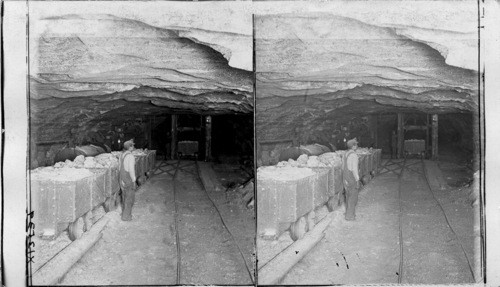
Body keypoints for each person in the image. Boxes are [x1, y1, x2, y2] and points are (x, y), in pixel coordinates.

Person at [342, 138, 360, 221]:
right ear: (353, 146)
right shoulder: (354, 155)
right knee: (353, 197)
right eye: (356, 144)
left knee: (348, 196)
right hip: (352, 178)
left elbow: (343, 167)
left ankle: (349, 213)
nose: (357, 146)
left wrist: (344, 179)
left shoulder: (345, 154)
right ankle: (350, 216)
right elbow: (354, 169)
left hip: (346, 177)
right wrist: (357, 179)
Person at [119, 139, 137, 221]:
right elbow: (131, 170)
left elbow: (120, 168)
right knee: (130, 198)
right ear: (130, 147)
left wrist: (121, 180)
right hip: (128, 178)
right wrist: (134, 180)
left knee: (124, 197)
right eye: (132, 145)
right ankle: (126, 217)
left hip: (122, 178)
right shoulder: (130, 156)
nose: (133, 147)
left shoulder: (122, 155)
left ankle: (124, 214)